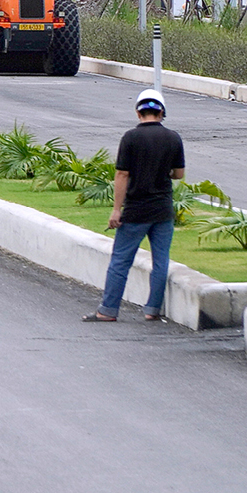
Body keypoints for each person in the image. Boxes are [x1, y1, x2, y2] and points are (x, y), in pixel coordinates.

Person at [86, 88, 186, 323]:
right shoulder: (173, 138)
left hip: (136, 210)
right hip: (162, 209)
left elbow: (122, 175)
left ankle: (108, 310)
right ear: (161, 112)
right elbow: (178, 174)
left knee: (121, 260)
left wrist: (116, 209)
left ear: (138, 112)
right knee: (160, 261)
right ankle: (152, 309)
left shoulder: (130, 137)